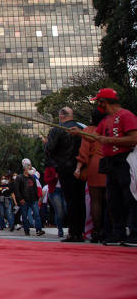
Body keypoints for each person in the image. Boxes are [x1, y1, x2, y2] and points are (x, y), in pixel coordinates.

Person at [72, 88, 137, 245]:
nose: (98, 105)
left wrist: (111, 141)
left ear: (104, 102)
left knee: (129, 197)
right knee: (113, 199)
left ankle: (134, 233)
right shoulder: (106, 120)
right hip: (110, 162)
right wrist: (80, 133)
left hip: (125, 160)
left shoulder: (126, 115)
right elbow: (94, 136)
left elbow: (134, 138)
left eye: (99, 102)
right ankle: (118, 233)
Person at [44, 106, 85, 242]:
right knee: (80, 200)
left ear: (61, 116)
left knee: (71, 201)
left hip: (65, 168)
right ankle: (80, 231)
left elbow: (49, 150)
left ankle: (73, 232)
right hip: (81, 167)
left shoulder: (57, 129)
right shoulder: (82, 129)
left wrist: (46, 144)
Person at [74, 108, 107, 243]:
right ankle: (111, 230)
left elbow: (84, 152)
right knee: (111, 200)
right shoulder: (109, 129)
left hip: (95, 165)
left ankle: (96, 231)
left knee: (96, 200)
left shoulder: (88, 130)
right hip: (110, 163)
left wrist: (78, 168)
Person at [13, 163, 45, 236]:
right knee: (24, 215)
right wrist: (20, 199)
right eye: (29, 168)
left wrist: (37, 198)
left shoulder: (32, 178)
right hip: (24, 200)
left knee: (37, 214)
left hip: (33, 199)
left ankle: (39, 230)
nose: (31, 170)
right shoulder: (19, 177)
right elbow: (16, 189)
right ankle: (26, 230)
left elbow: (35, 188)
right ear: (25, 169)